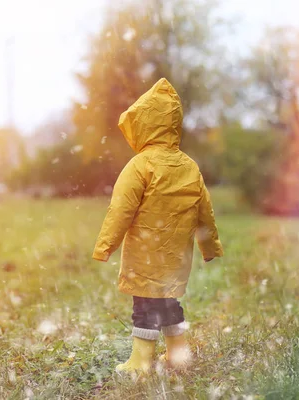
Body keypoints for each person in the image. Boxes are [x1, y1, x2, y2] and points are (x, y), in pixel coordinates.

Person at [92, 78, 224, 374]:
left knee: (144, 306)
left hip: (146, 255)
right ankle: (178, 355)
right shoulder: (189, 166)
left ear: (144, 124)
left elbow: (120, 210)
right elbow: (205, 212)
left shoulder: (140, 166)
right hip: (176, 257)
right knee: (169, 303)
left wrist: (105, 246)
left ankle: (140, 362)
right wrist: (210, 247)